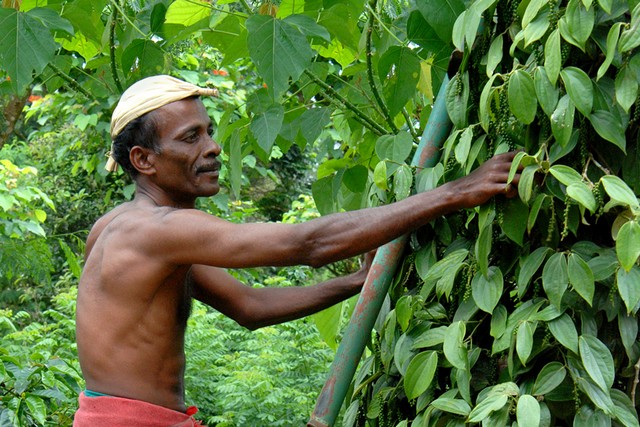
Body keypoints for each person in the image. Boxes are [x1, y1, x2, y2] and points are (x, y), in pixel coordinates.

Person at [73, 75, 521, 426]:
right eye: (190, 138)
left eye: (208, 132)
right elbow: (308, 244)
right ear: (143, 160)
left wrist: (356, 282)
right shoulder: (154, 231)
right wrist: (456, 192)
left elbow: (250, 306)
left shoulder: (119, 228)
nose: (212, 148)